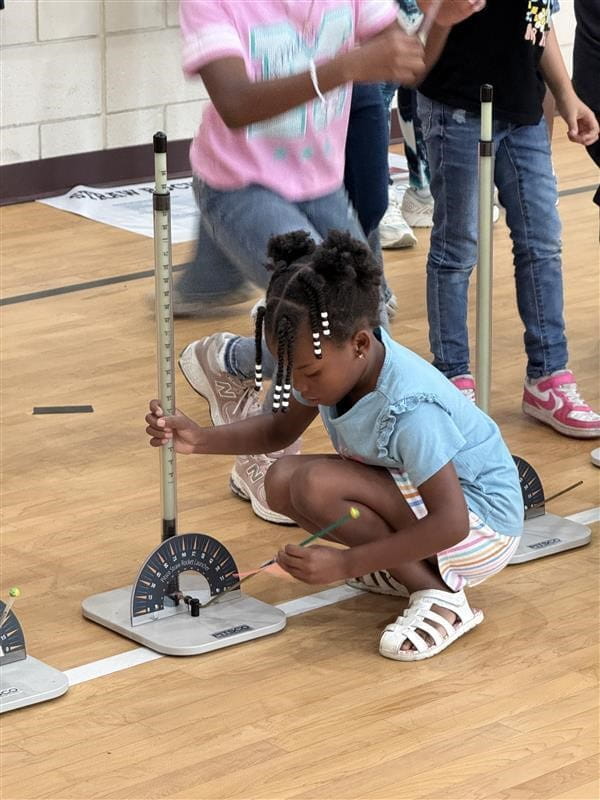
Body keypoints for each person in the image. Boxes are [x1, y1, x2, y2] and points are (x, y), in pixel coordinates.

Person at [175, 0, 487, 523]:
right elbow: (233, 102)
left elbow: (405, 62)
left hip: (317, 182)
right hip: (237, 183)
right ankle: (260, 452)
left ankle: (230, 362)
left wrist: (438, 22)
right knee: (315, 319)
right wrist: (347, 66)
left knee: (364, 326)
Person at [145, 230, 524, 662]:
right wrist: (199, 439)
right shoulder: (336, 362)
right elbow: (277, 433)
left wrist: (347, 563)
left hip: (482, 528)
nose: (298, 386)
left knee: (315, 483)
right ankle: (405, 569)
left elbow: (452, 523)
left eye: (308, 373)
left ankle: (443, 598)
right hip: (436, 511)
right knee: (280, 479)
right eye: (288, 372)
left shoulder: (411, 409)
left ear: (360, 343)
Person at [416, 0, 600, 438]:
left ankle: (548, 375)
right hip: (456, 105)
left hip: (524, 112)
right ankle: (453, 376)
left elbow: (539, 20)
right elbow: (421, 47)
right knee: (457, 248)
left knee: (542, 243)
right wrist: (444, 13)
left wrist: (568, 94)